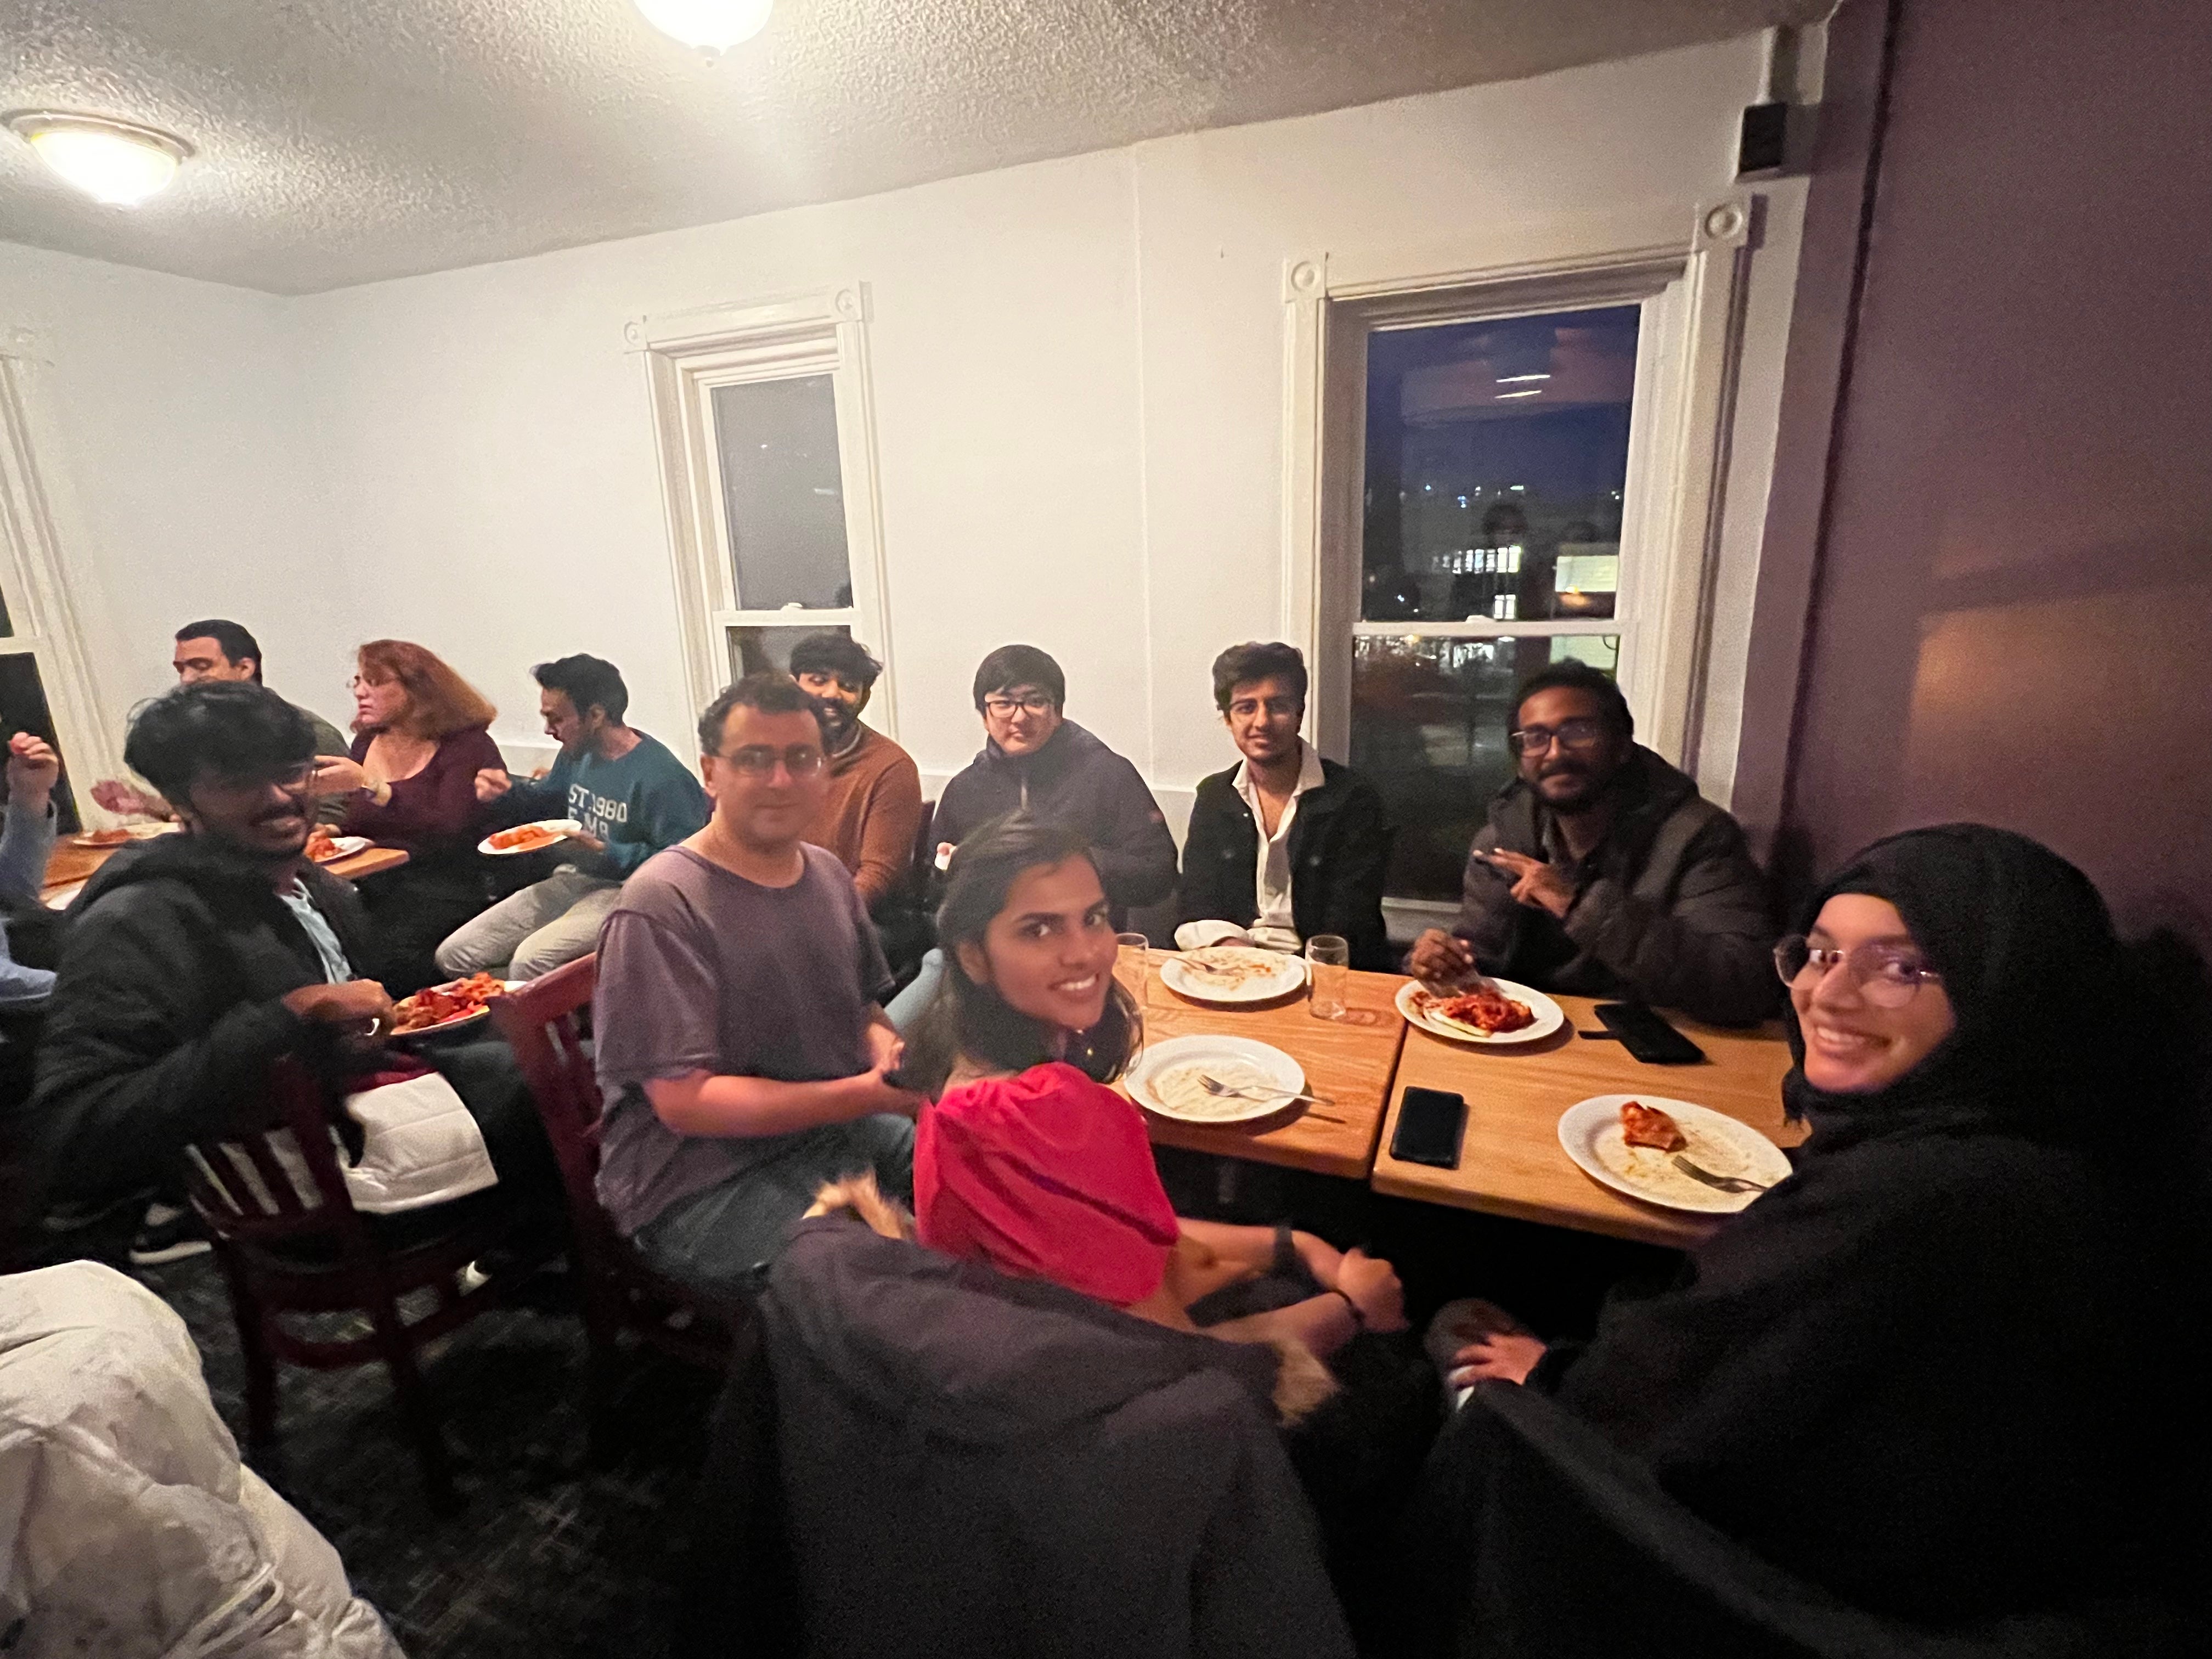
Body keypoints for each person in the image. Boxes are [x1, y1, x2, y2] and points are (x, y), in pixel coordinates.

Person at [1424, 826, 2200, 1626]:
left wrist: (1547, 1377)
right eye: (1822, 954)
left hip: (1774, 1583)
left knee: (1457, 1329)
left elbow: (1672, 1408)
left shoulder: (1916, 1201)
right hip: (1888, 1520)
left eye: (1901, 968)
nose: (1827, 996)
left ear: (2010, 988)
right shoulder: (2034, 1149)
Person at [25, 681, 554, 1265]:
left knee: (561, 1051)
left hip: (366, 1106)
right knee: (559, 1091)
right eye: (237, 782)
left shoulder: (311, 883)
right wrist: (291, 1014)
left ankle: (546, 1257)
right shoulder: (137, 920)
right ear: (181, 798)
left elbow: (365, 1014)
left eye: (292, 772)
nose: (279, 798)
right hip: (311, 1193)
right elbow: (76, 1128)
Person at [903, 813, 1406, 1359]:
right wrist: (1353, 1309)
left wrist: (1295, 1246)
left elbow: (1133, 1233)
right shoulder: (1024, 1115)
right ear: (972, 954)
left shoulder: (974, 1060)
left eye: (1093, 918)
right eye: (1039, 929)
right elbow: (1176, 1361)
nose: (1085, 952)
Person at [591, 673, 920, 1299]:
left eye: (801, 759)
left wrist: (889, 1056)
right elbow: (686, 1105)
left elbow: (862, 1008)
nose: (781, 780)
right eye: (754, 760)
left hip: (824, 1134)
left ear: (824, 771)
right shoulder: (662, 903)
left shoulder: (826, 874)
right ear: (710, 773)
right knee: (894, 1282)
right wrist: (865, 1096)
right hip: (698, 1184)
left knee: (986, 1182)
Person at [1408, 661, 1777, 1025]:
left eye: (1579, 731)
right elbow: (1479, 959)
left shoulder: (1696, 836)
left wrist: (1578, 902)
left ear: (1621, 745)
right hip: (1521, 1038)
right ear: (1521, 763)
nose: (1555, 753)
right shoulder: (1503, 840)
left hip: (1646, 1043)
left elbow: (1743, 984)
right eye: (1536, 739)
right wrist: (1439, 962)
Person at [887, 644, 1177, 1028]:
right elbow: (932, 898)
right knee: (925, 993)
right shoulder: (965, 789)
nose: (1019, 717)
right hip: (989, 963)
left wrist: (1060, 862)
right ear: (984, 715)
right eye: (1003, 703)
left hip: (1081, 951)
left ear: (1057, 711)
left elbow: (1157, 873)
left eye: (1035, 702)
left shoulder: (1107, 774)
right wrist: (951, 872)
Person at [435, 654, 706, 981]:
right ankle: (529, 1016)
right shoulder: (577, 755)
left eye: (557, 719)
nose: (549, 730)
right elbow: (547, 800)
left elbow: (686, 865)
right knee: (454, 956)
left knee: (531, 963)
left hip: (630, 892)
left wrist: (608, 852)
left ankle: (558, 1022)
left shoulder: (661, 777)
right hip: (575, 879)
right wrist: (505, 792)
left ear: (595, 715)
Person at [1177, 641, 1392, 972]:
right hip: (1234, 966)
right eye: (1246, 707)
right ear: (1228, 719)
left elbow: (1351, 921)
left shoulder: (1353, 799)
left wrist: (1285, 972)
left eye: (1277, 705)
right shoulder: (1214, 796)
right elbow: (1197, 902)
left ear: (1299, 714)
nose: (1262, 721)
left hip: (1324, 973)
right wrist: (1237, 953)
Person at [308, 640, 503, 996]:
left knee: (386, 949)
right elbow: (364, 823)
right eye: (358, 682)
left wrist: (372, 785)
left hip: (450, 883)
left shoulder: (467, 745)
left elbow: (449, 826)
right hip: (380, 881)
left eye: (375, 682)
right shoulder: (368, 742)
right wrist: (330, 831)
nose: (361, 693)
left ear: (417, 690)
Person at [91, 619, 351, 825]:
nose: (187, 680)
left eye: (201, 666)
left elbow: (329, 821)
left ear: (245, 669)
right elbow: (219, 813)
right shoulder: (200, 736)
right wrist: (149, 805)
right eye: (181, 669)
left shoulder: (306, 732)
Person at [787, 634, 922, 912]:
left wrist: (815, 924)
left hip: (860, 919)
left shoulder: (891, 767)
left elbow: (878, 876)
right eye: (819, 680)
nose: (833, 694)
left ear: (864, 697)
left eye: (848, 686)